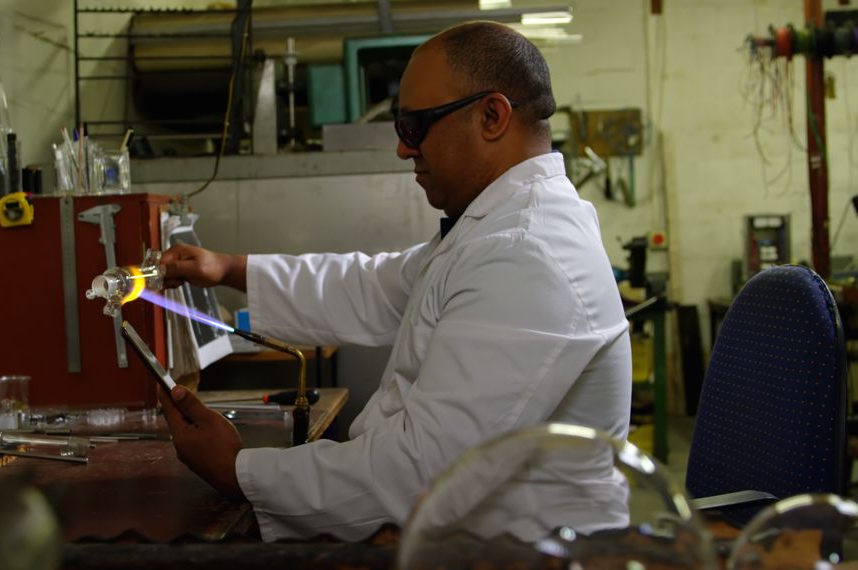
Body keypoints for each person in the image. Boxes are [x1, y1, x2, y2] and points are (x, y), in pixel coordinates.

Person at [156, 21, 632, 542]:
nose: (404, 150)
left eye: (413, 125)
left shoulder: (526, 250)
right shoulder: (494, 230)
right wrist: (229, 270)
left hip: (520, 551)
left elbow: (423, 472)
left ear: (491, 116)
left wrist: (239, 471)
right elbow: (371, 284)